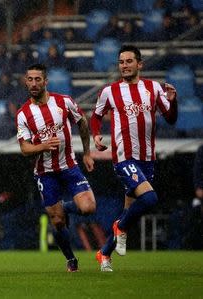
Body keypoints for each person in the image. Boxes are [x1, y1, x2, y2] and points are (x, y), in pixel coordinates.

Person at [90, 45, 178, 271]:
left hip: (147, 158)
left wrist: (173, 100)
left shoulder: (153, 88)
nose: (124, 66)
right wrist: (96, 135)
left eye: (129, 61)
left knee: (130, 210)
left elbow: (170, 117)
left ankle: (104, 253)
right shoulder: (110, 91)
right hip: (123, 157)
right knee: (150, 199)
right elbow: (96, 116)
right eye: (121, 62)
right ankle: (119, 227)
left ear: (139, 64)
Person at [16, 63, 96, 272]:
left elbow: (82, 122)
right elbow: (25, 148)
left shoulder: (64, 102)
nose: (33, 83)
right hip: (45, 173)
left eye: (37, 79)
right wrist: (43, 146)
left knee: (88, 208)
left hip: (69, 166)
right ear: (26, 82)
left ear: (45, 82)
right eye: (30, 79)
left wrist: (87, 152)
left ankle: (66, 208)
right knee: (57, 222)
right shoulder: (24, 114)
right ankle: (71, 259)